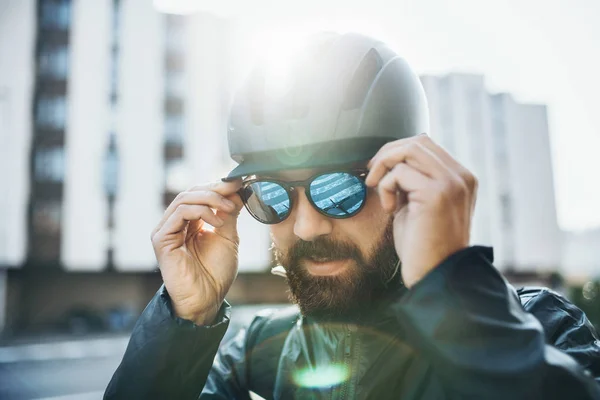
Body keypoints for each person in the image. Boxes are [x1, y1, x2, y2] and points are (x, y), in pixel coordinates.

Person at [104, 32, 600, 399]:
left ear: (404, 185)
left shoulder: (536, 326)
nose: (305, 226)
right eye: (274, 195)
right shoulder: (256, 353)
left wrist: (455, 291)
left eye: (340, 188)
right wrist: (184, 319)